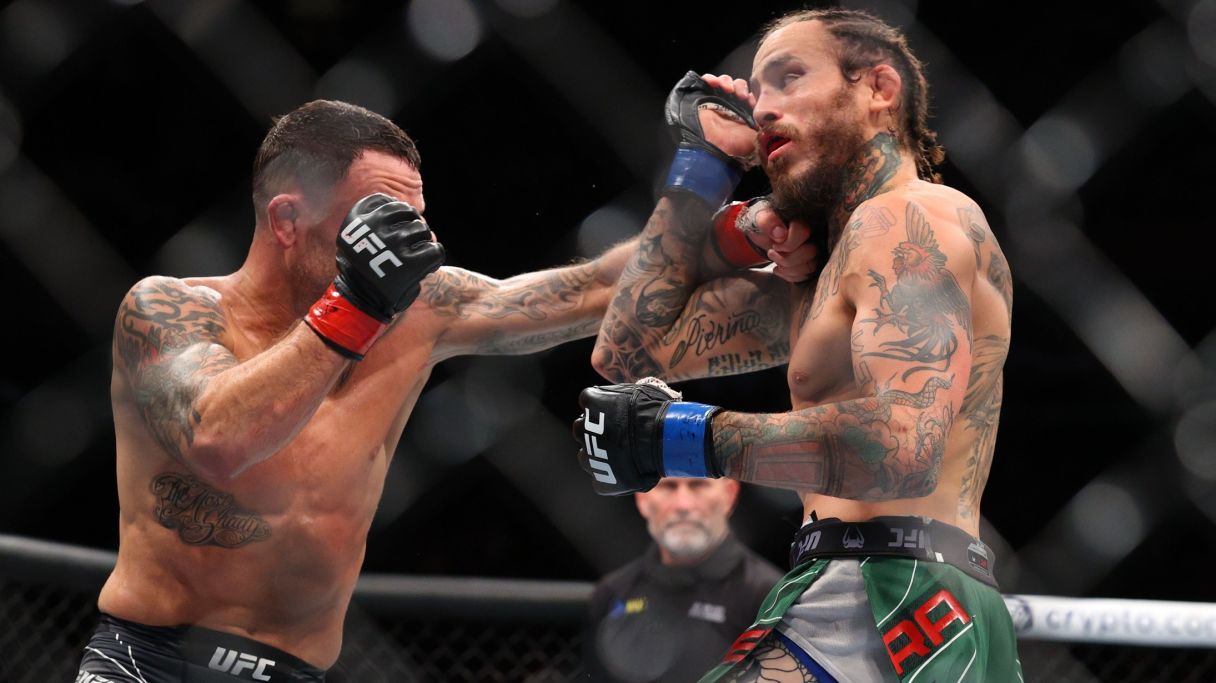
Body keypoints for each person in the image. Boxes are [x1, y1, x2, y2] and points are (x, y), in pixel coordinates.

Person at [78, 99, 816, 682]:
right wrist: (354, 305)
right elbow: (219, 437)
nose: (411, 246)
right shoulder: (170, 310)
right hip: (148, 661)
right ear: (286, 220)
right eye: (381, 221)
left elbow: (589, 289)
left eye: (415, 222)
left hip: (296, 669)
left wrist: (723, 217)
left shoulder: (419, 309)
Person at [575, 8, 1023, 682]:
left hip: (884, 590)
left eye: (789, 78)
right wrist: (704, 168)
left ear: (878, 89)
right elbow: (629, 349)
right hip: (905, 595)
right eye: (760, 91)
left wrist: (683, 437)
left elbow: (904, 446)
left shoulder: (908, 218)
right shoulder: (824, 268)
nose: (765, 110)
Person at [584, 477, 781, 682]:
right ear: (642, 498)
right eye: (668, 487)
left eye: (699, 485)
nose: (683, 505)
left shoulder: (769, 596)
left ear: (729, 494)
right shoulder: (613, 591)